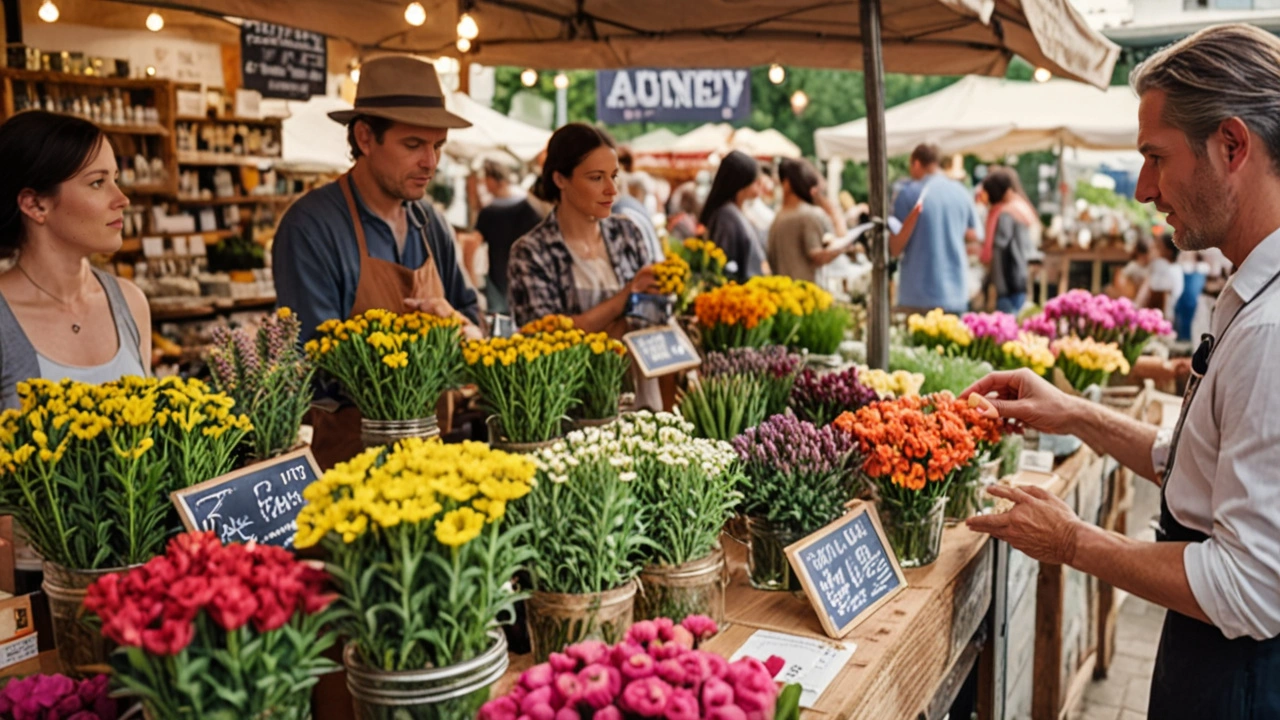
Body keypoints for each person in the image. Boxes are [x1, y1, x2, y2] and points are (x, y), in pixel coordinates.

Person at [965, 24, 1280, 718]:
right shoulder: (1253, 293)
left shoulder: (1270, 330)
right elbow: (1199, 471)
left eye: (1156, 157)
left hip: (1241, 678)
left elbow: (1248, 585)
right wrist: (1075, 412)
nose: (1143, 188)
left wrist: (1073, 541)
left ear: (1232, 146)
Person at [272, 55, 483, 470]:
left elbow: (472, 318)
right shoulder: (312, 227)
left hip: (432, 461)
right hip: (347, 472)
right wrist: (430, 348)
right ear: (365, 137)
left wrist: (457, 326)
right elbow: (315, 364)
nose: (431, 162)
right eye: (413, 145)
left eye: (437, 146)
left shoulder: (431, 224)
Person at [0, 111, 150, 409]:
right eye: (97, 183)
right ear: (35, 204)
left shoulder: (130, 303)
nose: (122, 199)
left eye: (115, 179)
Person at [506, 123, 660, 409]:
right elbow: (547, 342)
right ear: (560, 179)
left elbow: (652, 318)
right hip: (572, 408)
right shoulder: (531, 252)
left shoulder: (628, 233)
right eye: (596, 178)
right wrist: (625, 299)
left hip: (640, 396)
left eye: (613, 176)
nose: (612, 189)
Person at [892, 143, 980, 314]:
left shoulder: (909, 192)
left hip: (917, 294)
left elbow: (895, 247)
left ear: (916, 163)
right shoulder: (961, 191)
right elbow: (974, 235)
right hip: (955, 291)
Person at [474, 158, 541, 315]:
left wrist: (472, 283)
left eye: (485, 179)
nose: (483, 183)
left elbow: (472, 244)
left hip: (498, 277)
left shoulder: (489, 212)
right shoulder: (530, 206)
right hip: (526, 277)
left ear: (493, 179)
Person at [767, 157, 845, 282]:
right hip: (806, 292)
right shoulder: (808, 214)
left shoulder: (779, 215)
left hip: (784, 292)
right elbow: (817, 256)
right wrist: (844, 246)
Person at [701, 151, 765, 282]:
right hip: (740, 293)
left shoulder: (734, 212)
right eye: (756, 181)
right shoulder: (727, 216)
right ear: (742, 182)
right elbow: (726, 266)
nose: (761, 185)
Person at [979, 167, 1036, 314]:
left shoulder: (1005, 214)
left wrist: (997, 287)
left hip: (1008, 284)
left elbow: (998, 250)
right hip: (1019, 280)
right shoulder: (1021, 208)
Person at [1135, 232, 1184, 321]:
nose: (1153, 250)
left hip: (1163, 316)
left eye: (1157, 247)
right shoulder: (1171, 267)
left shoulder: (1166, 267)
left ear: (1169, 252)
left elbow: (1153, 291)